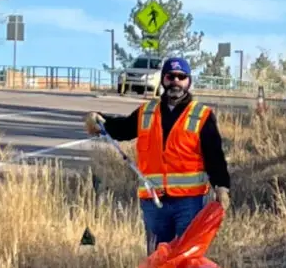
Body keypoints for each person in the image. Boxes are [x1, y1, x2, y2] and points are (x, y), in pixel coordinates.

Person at [83, 57, 232, 253]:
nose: (176, 81)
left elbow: (214, 155)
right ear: (163, 80)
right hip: (153, 201)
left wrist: (222, 187)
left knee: (185, 256)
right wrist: (100, 122)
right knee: (157, 256)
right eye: (171, 76)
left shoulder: (201, 115)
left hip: (188, 202)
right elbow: (123, 129)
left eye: (181, 77)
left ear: (189, 81)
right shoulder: (147, 112)